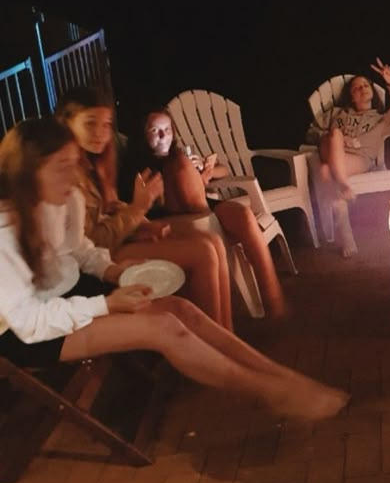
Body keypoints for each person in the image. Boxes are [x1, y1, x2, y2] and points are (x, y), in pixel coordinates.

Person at [0, 117, 348, 422]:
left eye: (74, 164)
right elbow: (30, 322)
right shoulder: (4, 232)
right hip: (31, 332)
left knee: (182, 309)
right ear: (27, 172)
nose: (73, 176)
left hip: (70, 293)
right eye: (61, 167)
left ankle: (282, 377)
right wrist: (105, 304)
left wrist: (112, 272)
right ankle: (274, 393)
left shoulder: (65, 198)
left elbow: (79, 251)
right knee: (165, 328)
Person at [56, 86, 234, 330]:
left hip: (113, 243)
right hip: (94, 262)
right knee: (201, 252)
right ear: (66, 123)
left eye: (106, 124)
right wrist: (138, 209)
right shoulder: (66, 173)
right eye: (90, 123)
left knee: (210, 242)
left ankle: (225, 335)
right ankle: (215, 344)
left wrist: (142, 226)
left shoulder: (94, 163)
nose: (100, 133)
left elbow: (109, 210)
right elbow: (90, 242)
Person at [135, 108, 288, 318]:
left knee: (244, 215)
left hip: (205, 207)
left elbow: (223, 169)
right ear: (143, 134)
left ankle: (274, 302)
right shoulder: (141, 166)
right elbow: (153, 202)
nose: (163, 136)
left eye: (167, 130)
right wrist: (193, 177)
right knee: (180, 163)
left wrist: (206, 171)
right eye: (155, 130)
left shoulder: (183, 156)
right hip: (175, 218)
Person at [307, 58, 390, 256]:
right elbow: (311, 133)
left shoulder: (382, 119)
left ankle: (346, 236)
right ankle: (343, 184)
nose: (362, 88)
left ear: (372, 91)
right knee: (335, 134)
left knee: (325, 171)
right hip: (330, 149)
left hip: (358, 160)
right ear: (351, 97)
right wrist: (336, 139)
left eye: (366, 85)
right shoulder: (337, 114)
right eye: (357, 88)